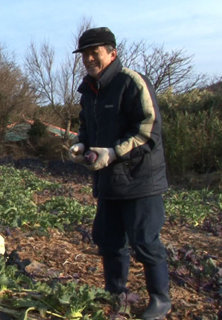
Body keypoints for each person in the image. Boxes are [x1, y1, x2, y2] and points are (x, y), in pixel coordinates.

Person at [69, 27, 171, 320]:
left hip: (140, 179)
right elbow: (87, 126)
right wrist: (80, 145)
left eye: (94, 52)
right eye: (85, 54)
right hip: (108, 181)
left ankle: (160, 299)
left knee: (145, 241)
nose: (89, 59)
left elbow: (148, 129)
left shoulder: (131, 82)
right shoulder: (87, 91)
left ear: (112, 53)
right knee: (109, 239)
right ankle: (117, 293)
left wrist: (113, 153)